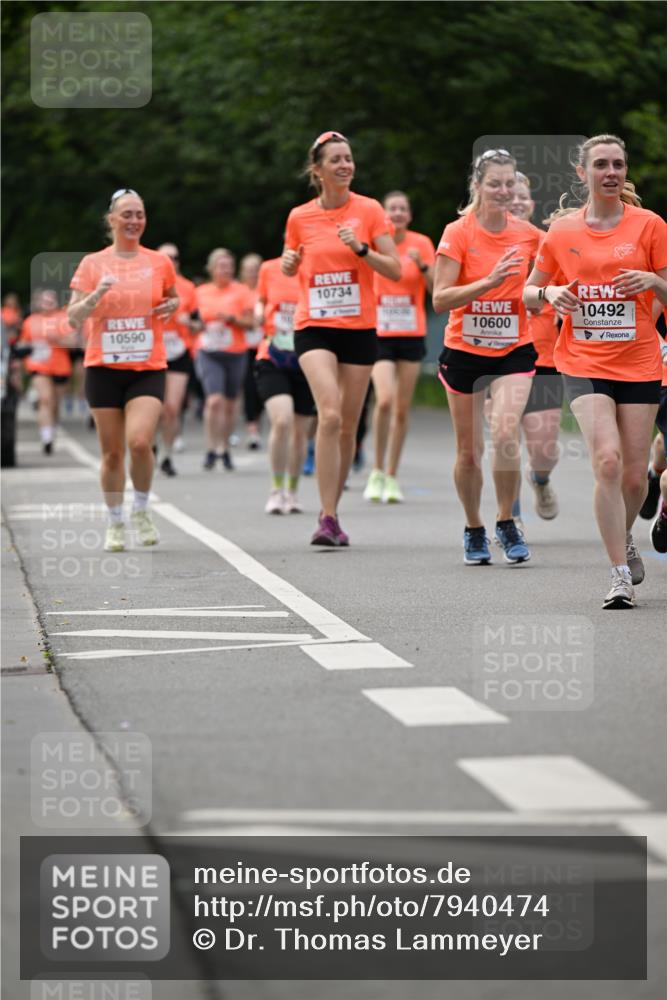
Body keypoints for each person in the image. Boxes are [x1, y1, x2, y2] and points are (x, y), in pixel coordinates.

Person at [524, 134, 667, 608]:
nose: (611, 172)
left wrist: (653, 281)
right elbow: (528, 292)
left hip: (639, 360)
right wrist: (549, 294)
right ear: (582, 173)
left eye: (618, 165)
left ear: (626, 171)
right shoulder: (562, 231)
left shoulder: (650, 225)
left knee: (634, 478)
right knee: (606, 460)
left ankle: (623, 535)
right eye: (601, 164)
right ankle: (619, 573)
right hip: (582, 360)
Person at [282, 130, 400, 546]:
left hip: (359, 329)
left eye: (348, 158)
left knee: (348, 426)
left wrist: (363, 250)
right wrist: (288, 263)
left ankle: (331, 511)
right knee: (329, 414)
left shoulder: (369, 210)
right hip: (314, 325)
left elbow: (395, 269)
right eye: (336, 160)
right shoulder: (299, 217)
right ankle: (327, 517)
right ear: (317, 170)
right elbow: (290, 264)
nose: (345, 165)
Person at [433, 148, 541, 566]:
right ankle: (473, 527)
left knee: (506, 432)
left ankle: (506, 521)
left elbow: (558, 270)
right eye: (494, 183)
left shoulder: (528, 234)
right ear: (477, 185)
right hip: (464, 351)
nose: (503, 191)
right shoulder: (458, 232)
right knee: (468, 451)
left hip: (513, 349)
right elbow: (441, 298)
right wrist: (488, 282)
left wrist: (544, 296)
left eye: (509, 183)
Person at [68, 188, 178, 552]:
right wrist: (96, 294)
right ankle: (115, 521)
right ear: (112, 220)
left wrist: (173, 305)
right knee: (113, 453)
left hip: (147, 366)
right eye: (127, 214)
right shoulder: (92, 263)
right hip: (104, 368)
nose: (134, 221)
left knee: (140, 442)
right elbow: (73, 317)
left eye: (139, 214)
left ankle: (141, 509)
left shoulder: (159, 262)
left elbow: (172, 297)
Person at [364, 190, 435, 503]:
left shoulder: (422, 244)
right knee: (383, 401)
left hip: (410, 332)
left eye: (402, 208)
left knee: (402, 409)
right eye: (391, 209)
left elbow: (437, 289)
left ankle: (392, 475)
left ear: (409, 214)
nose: (397, 213)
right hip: (379, 332)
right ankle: (376, 471)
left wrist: (422, 267)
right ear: (383, 215)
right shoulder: (374, 243)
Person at [508, 172, 562, 522]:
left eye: (522, 196)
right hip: (499, 356)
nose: (515, 201)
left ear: (531, 204)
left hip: (544, 357)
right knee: (506, 441)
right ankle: (509, 518)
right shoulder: (482, 242)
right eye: (508, 194)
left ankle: (540, 479)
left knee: (545, 450)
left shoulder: (550, 244)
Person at [255, 256, 314, 513]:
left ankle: (292, 491)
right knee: (282, 420)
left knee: (300, 432)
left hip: (307, 358)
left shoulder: (317, 268)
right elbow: (260, 299)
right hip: (273, 356)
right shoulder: (269, 268)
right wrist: (258, 312)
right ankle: (276, 490)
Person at [195, 248, 255, 470]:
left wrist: (232, 319)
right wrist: (197, 325)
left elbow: (252, 323)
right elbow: (194, 322)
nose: (226, 270)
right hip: (209, 352)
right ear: (212, 269)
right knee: (214, 401)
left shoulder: (241, 291)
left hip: (235, 352)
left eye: (230, 266)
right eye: (222, 266)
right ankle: (211, 448)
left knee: (230, 404)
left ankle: (225, 448)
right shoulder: (200, 292)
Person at [156, 242, 200, 476]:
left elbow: (199, 323)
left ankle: (166, 454)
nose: (171, 262)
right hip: (152, 351)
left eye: (174, 258)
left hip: (179, 351)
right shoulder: (147, 284)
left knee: (172, 407)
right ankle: (149, 444)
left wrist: (188, 323)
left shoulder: (188, 288)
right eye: (166, 257)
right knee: (154, 407)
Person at [20, 288, 78, 453]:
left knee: (55, 403)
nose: (47, 304)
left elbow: (73, 344)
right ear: (39, 303)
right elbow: (24, 344)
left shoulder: (64, 319)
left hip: (60, 367)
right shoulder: (30, 321)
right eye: (44, 301)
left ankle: (51, 429)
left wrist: (57, 339)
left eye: (50, 301)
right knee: (45, 399)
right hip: (38, 366)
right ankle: (46, 438)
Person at [239, 252, 265, 449]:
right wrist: (247, 321)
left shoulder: (266, 289)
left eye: (256, 269)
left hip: (264, 345)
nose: (253, 273)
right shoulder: (238, 292)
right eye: (249, 270)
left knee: (262, 388)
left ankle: (258, 421)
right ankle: (252, 429)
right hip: (244, 347)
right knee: (249, 388)